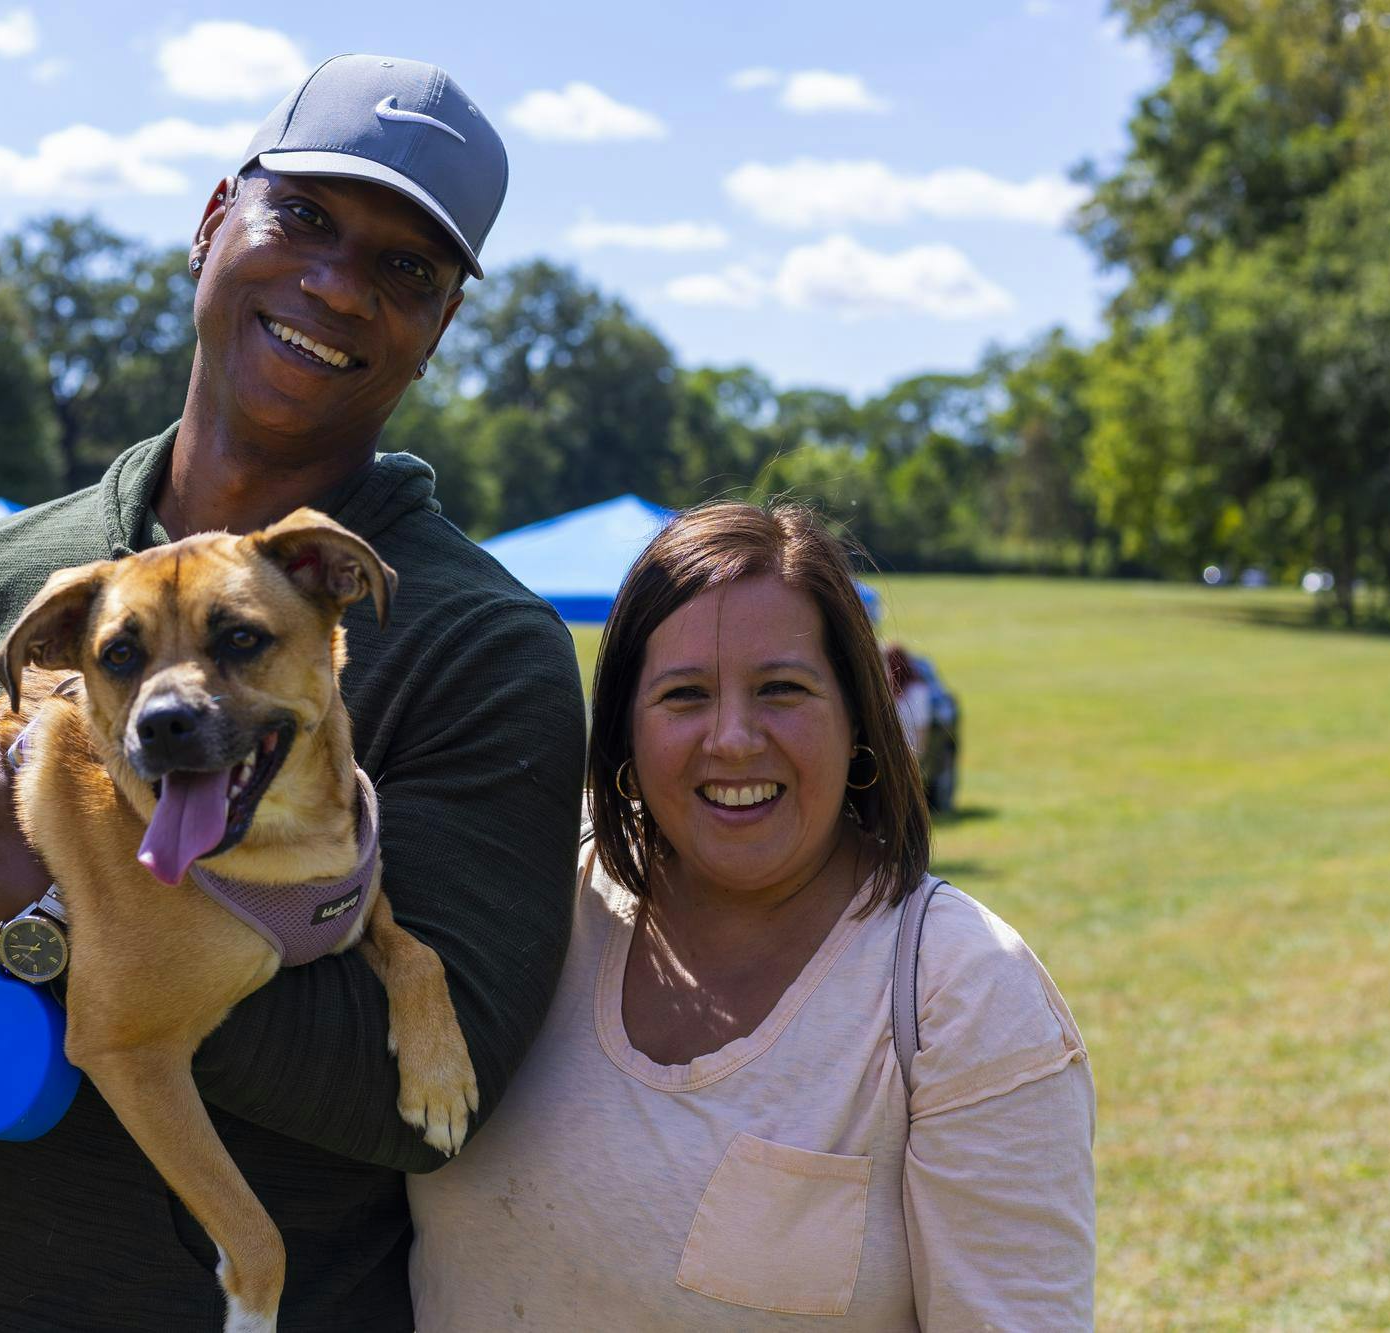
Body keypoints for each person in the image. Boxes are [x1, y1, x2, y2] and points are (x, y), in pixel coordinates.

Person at [0, 55, 587, 1329]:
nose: (336, 284)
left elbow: (437, 1097)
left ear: (437, 327)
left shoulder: (481, 644)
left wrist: (40, 919)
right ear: (213, 220)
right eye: (306, 219)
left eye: (406, 271)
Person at [409, 501, 1094, 1329]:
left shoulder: (964, 993)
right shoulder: (532, 883)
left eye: (782, 689)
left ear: (858, 717)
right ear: (625, 729)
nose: (733, 738)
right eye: (685, 694)